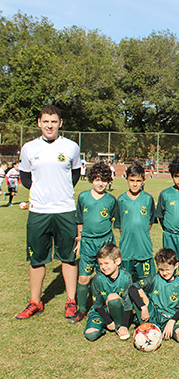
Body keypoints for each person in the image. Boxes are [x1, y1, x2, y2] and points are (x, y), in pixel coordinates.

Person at [16, 105, 81, 320]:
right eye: (46, 121)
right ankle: (35, 302)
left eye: (53, 121)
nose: (49, 125)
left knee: (69, 257)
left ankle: (71, 300)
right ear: (39, 123)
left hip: (64, 210)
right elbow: (25, 177)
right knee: (37, 259)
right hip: (39, 211)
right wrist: (41, 193)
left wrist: (59, 194)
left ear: (60, 123)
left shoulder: (71, 146)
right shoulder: (28, 148)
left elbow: (75, 174)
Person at [70, 161, 117, 324]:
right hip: (88, 243)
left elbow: (112, 220)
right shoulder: (83, 197)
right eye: (97, 179)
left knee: (104, 277)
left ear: (108, 180)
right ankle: (82, 309)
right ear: (91, 179)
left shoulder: (111, 199)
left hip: (105, 243)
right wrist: (80, 240)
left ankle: (104, 308)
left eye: (103, 179)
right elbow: (80, 220)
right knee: (84, 278)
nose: (100, 183)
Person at [128, 248, 179, 343]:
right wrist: (143, 307)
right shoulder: (154, 278)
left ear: (176, 265)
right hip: (153, 314)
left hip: (170, 317)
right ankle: (150, 327)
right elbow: (132, 288)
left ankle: (159, 330)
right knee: (139, 290)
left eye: (168, 270)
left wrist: (171, 321)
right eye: (161, 269)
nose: (164, 273)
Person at [114, 162, 156, 281]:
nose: (135, 184)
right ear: (126, 179)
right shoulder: (121, 200)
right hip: (126, 250)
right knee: (126, 283)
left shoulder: (148, 199)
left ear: (144, 180)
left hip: (144, 250)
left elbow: (150, 223)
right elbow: (120, 226)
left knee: (147, 283)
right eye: (132, 180)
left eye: (138, 180)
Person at [83, 243, 133, 341]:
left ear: (117, 261)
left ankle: (119, 326)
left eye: (106, 263)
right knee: (90, 335)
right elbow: (97, 305)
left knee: (113, 297)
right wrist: (108, 322)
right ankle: (104, 327)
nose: (103, 267)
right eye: (100, 264)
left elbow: (128, 305)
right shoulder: (97, 279)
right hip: (102, 312)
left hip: (119, 310)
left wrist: (124, 324)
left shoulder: (126, 277)